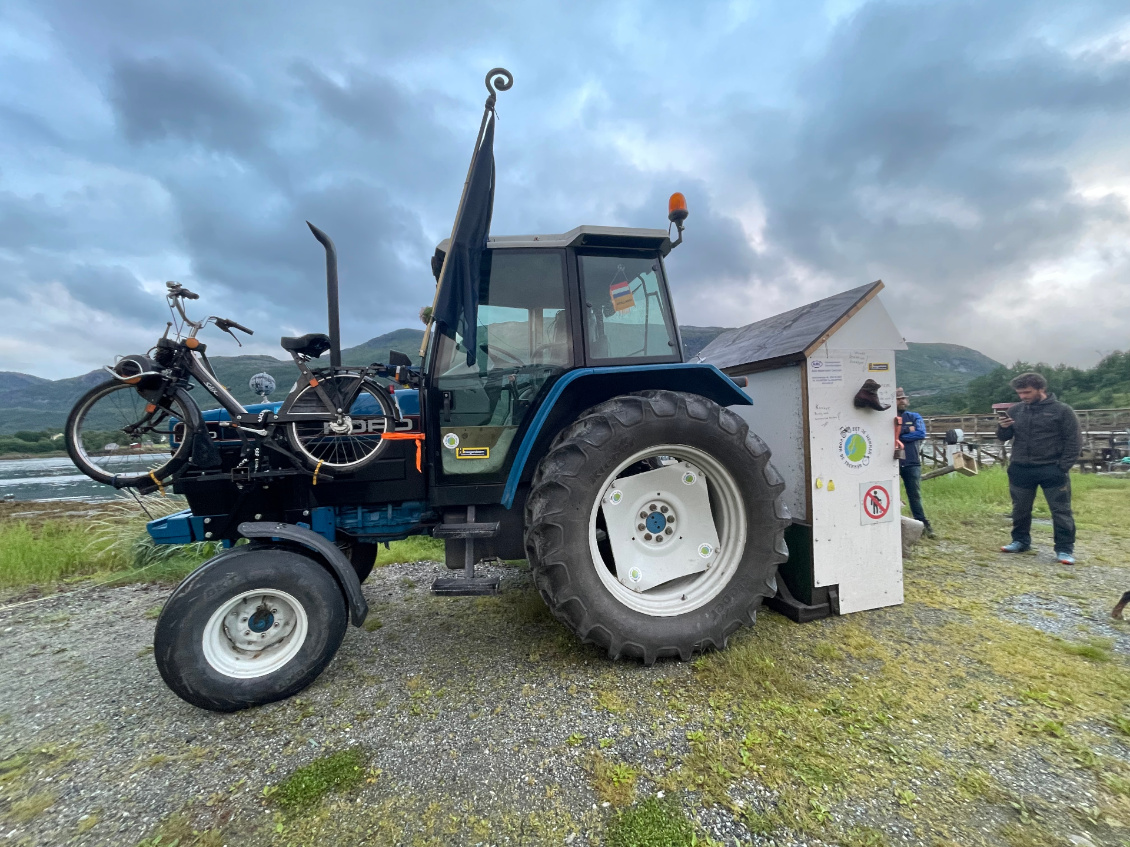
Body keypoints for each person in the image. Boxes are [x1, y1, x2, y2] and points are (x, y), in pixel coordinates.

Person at [996, 372, 1082, 564]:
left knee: (1061, 511)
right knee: (1020, 509)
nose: (1023, 396)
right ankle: (1020, 541)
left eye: (1027, 392)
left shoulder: (1062, 411)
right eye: (1020, 393)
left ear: (1041, 389)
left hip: (1052, 469)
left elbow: (1074, 441)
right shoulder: (1016, 410)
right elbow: (1004, 437)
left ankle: (1064, 549)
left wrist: (1063, 467)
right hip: (1021, 468)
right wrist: (1003, 427)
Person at [895, 388, 932, 537]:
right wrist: (907, 430)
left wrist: (899, 434)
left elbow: (921, 433)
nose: (902, 401)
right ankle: (894, 525)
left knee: (915, 495)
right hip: (892, 462)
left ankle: (924, 526)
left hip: (912, 461)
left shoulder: (914, 416)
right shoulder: (886, 418)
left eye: (904, 398)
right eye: (899, 399)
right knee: (890, 494)